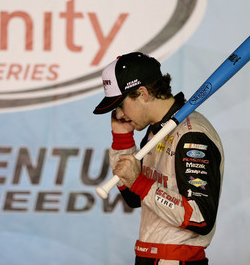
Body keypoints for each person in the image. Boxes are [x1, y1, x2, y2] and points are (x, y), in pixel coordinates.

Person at [93, 52, 224, 265]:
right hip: (149, 255)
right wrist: (122, 141)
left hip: (177, 259)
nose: (118, 115)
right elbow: (134, 197)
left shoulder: (191, 134)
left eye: (120, 105)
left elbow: (200, 217)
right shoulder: (156, 130)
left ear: (142, 93)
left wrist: (140, 182)